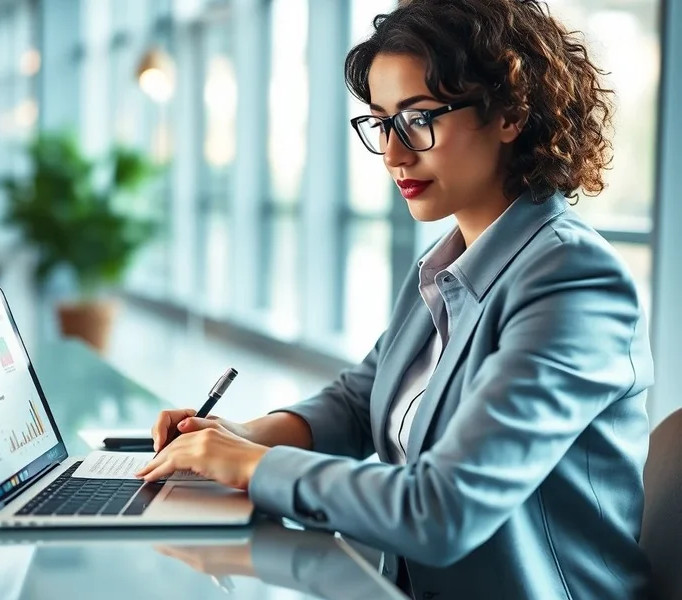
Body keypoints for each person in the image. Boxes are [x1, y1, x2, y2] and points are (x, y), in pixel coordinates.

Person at [136, 0, 654, 597]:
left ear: (509, 113)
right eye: (382, 122)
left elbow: (444, 509)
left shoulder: (573, 280)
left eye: (419, 118)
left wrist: (252, 467)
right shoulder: (446, 262)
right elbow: (360, 403)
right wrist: (241, 436)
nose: (394, 153)